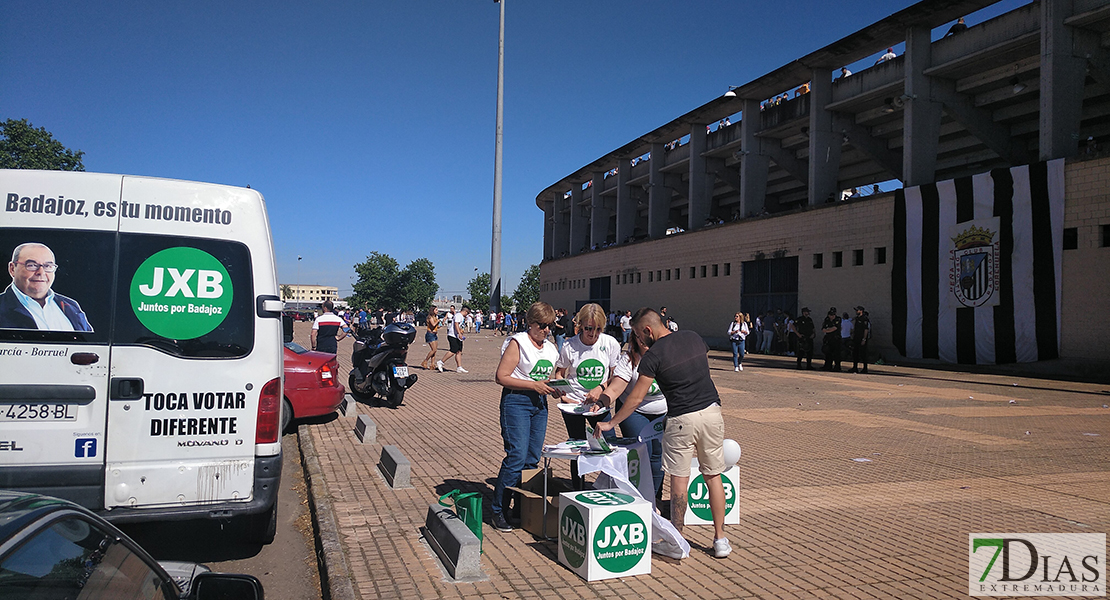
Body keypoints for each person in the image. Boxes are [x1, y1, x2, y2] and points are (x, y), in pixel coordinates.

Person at [596, 308, 732, 559]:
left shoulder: (653, 355)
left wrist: (611, 422)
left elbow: (636, 398)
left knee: (679, 479)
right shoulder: (694, 337)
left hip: (681, 417)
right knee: (713, 476)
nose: (638, 340)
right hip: (712, 412)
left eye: (638, 335)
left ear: (647, 330)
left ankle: (677, 541)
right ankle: (720, 538)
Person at [490, 301, 560, 532]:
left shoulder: (550, 348)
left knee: (532, 458)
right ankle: (498, 509)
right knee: (516, 456)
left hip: (539, 404)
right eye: (542, 325)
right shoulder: (517, 342)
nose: (547, 330)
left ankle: (522, 505)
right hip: (516, 401)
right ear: (530, 324)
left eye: (550, 326)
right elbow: (502, 376)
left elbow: (545, 379)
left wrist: (556, 388)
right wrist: (533, 385)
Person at [554, 303, 621, 489]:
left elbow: (617, 376)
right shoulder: (570, 345)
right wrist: (563, 394)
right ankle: (577, 489)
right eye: (588, 328)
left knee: (608, 446)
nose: (593, 334)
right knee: (577, 449)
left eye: (598, 329)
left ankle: (609, 487)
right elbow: (559, 374)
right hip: (573, 405)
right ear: (580, 325)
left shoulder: (610, 344)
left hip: (599, 405)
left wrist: (601, 388)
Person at [598, 333, 667, 503]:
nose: (645, 344)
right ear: (635, 339)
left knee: (659, 456)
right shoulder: (628, 359)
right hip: (634, 410)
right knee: (643, 452)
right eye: (641, 340)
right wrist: (601, 401)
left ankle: (654, 500)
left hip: (661, 411)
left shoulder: (666, 355)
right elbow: (615, 388)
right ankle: (638, 499)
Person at [1, 242, 91, 331]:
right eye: (32, 265)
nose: (41, 272)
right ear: (12, 269)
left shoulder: (70, 306)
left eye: (47, 266)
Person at [437, 306, 469, 373]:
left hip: (457, 336)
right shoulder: (458, 315)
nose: (467, 315)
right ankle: (441, 362)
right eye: (467, 313)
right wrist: (459, 333)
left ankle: (459, 367)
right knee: (453, 350)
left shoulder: (461, 317)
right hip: (453, 335)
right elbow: (456, 324)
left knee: (459, 351)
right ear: (465, 311)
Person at [821, 307, 842, 372]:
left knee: (836, 354)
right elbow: (823, 329)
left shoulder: (838, 319)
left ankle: (837, 367)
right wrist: (828, 330)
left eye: (833, 315)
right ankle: (827, 366)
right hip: (828, 339)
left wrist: (828, 330)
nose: (831, 316)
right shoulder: (826, 319)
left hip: (836, 339)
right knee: (827, 353)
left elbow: (835, 328)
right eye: (830, 315)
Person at [851, 306, 871, 374]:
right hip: (856, 338)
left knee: (863, 354)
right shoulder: (857, 318)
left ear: (861, 311)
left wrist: (864, 339)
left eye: (858, 310)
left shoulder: (864, 319)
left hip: (861, 338)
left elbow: (866, 330)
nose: (856, 311)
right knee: (855, 353)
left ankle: (865, 368)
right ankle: (855, 367)